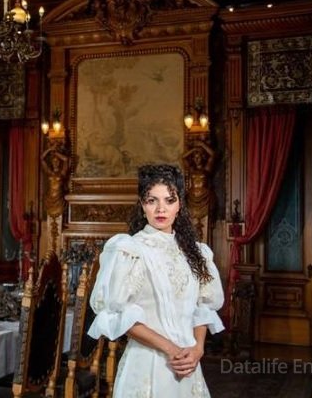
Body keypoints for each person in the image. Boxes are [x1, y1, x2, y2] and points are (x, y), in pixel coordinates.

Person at [87, 164, 224, 397]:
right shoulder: (129, 251)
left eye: (169, 200)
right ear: (142, 205)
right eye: (152, 201)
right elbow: (120, 314)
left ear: (179, 205)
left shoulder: (197, 253)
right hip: (146, 366)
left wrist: (198, 349)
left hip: (189, 365)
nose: (161, 209)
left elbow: (203, 307)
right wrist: (171, 349)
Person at [41, 148, 69, 217]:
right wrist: (50, 149)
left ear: (59, 162)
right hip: (49, 198)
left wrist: (55, 153)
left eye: (57, 161)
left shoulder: (62, 173)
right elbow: (42, 158)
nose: (55, 163)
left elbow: (66, 159)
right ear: (51, 162)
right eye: (54, 161)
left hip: (59, 199)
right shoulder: (49, 172)